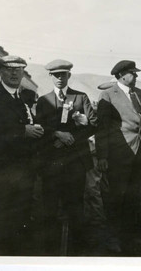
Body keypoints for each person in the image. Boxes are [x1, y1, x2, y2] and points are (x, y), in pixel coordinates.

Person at [0, 55, 44, 255]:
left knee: (21, 220)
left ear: (23, 72)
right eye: (9, 69)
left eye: (19, 69)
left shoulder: (25, 97)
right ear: (0, 72)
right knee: (0, 223)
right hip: (0, 172)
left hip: (24, 172)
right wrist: (23, 131)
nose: (14, 73)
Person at [35, 59, 97, 255]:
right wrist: (56, 134)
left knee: (75, 206)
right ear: (50, 76)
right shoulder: (43, 101)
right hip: (51, 162)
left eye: (63, 74)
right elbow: (39, 127)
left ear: (69, 75)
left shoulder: (80, 98)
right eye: (55, 75)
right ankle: (49, 251)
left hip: (75, 162)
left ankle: (76, 252)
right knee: (50, 206)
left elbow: (94, 124)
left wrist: (73, 136)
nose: (59, 78)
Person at [96, 60, 141, 253]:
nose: (136, 76)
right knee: (116, 197)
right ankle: (113, 238)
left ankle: (129, 237)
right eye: (132, 73)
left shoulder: (139, 94)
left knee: (133, 197)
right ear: (121, 75)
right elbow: (102, 128)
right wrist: (102, 156)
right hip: (118, 154)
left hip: (137, 153)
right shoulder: (108, 95)